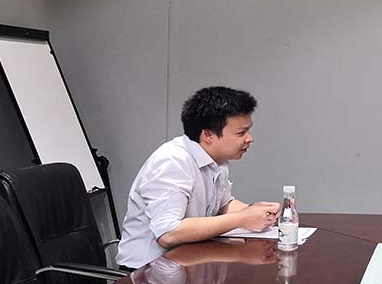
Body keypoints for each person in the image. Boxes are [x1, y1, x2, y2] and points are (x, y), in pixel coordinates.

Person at [115, 86, 281, 269]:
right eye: (241, 133)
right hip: (147, 272)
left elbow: (222, 205)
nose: (250, 139)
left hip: (189, 262)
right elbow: (168, 233)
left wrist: (261, 213)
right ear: (208, 135)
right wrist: (242, 218)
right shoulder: (172, 161)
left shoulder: (216, 159)